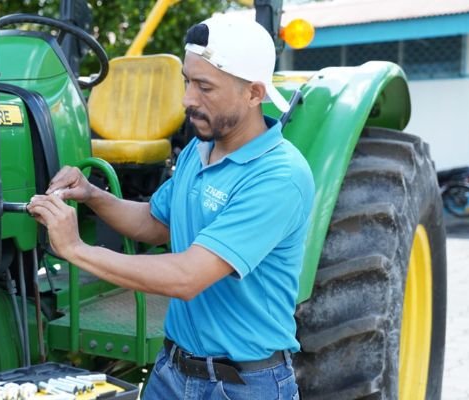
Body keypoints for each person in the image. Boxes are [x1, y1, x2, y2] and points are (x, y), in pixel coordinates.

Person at [28, 13, 314, 400]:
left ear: (253, 94)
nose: (187, 99)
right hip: (172, 373)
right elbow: (155, 221)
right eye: (186, 81)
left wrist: (76, 249)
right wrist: (93, 196)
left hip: (241, 387)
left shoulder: (279, 176)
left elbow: (186, 277)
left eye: (204, 87)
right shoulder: (200, 150)